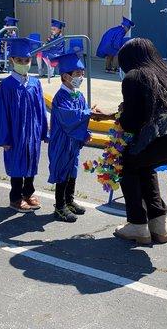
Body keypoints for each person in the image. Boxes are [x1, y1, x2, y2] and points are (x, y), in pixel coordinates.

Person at [93, 38, 167, 244]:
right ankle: (158, 225)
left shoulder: (134, 76)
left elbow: (132, 122)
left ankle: (137, 225)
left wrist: (117, 127)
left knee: (127, 164)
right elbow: (149, 109)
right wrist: (111, 114)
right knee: (144, 165)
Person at [0, 37, 48, 213]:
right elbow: (0, 114)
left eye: (27, 60)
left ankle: (28, 193)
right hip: (14, 134)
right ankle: (15, 198)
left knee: (31, 162)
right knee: (16, 164)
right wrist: (4, 138)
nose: (24, 63)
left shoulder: (35, 83)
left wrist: (43, 131)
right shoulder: (6, 86)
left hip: (32, 132)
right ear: (12, 60)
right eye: (20, 60)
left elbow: (41, 109)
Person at [48, 53, 99, 222]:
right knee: (62, 171)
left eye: (82, 73)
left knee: (72, 169)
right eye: (77, 74)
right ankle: (60, 206)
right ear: (65, 76)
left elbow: (82, 120)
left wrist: (85, 134)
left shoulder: (78, 95)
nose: (81, 77)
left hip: (74, 142)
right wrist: (89, 112)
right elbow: (70, 118)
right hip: (62, 141)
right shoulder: (60, 97)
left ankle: (69, 200)